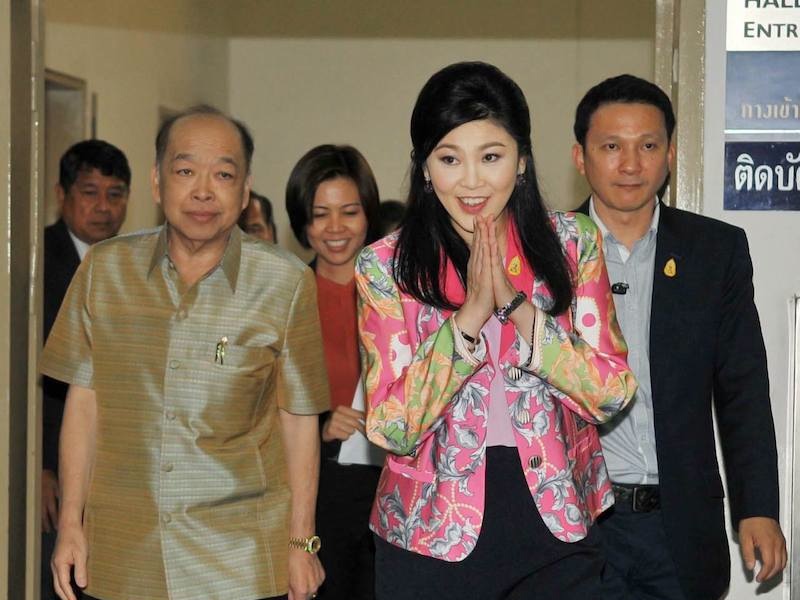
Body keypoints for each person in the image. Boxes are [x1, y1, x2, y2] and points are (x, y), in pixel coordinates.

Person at [355, 61, 637, 600]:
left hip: (557, 521)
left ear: (522, 161)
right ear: (424, 169)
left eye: (491, 157)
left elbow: (611, 392)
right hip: (430, 536)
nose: (471, 181)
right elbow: (391, 426)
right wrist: (467, 321)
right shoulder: (384, 266)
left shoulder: (572, 244)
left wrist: (516, 309)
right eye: (449, 159)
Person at [41, 105, 329, 600]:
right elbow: (84, 405)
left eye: (222, 174)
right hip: (122, 552)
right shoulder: (103, 272)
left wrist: (301, 541)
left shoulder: (285, 282)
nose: (202, 190)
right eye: (185, 171)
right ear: (157, 183)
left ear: (243, 191)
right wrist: (70, 523)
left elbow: (297, 420)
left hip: (239, 555)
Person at [571, 74, 787, 600]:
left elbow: (743, 391)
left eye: (648, 146)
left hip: (680, 527)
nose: (630, 164)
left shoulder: (715, 252)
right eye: (611, 147)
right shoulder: (543, 253)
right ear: (581, 157)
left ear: (670, 153)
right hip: (578, 526)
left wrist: (757, 506)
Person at [285, 144, 381, 600]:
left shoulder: (401, 296)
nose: (336, 229)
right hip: (318, 493)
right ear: (303, 222)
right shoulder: (284, 300)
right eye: (321, 214)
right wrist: (320, 426)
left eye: (350, 211)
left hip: (395, 489)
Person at [42, 139, 131, 600]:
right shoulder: (37, 262)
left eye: (115, 194)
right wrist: (38, 463)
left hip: (117, 469)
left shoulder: (130, 265)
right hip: (51, 463)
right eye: (90, 192)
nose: (103, 207)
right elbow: (33, 380)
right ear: (62, 195)